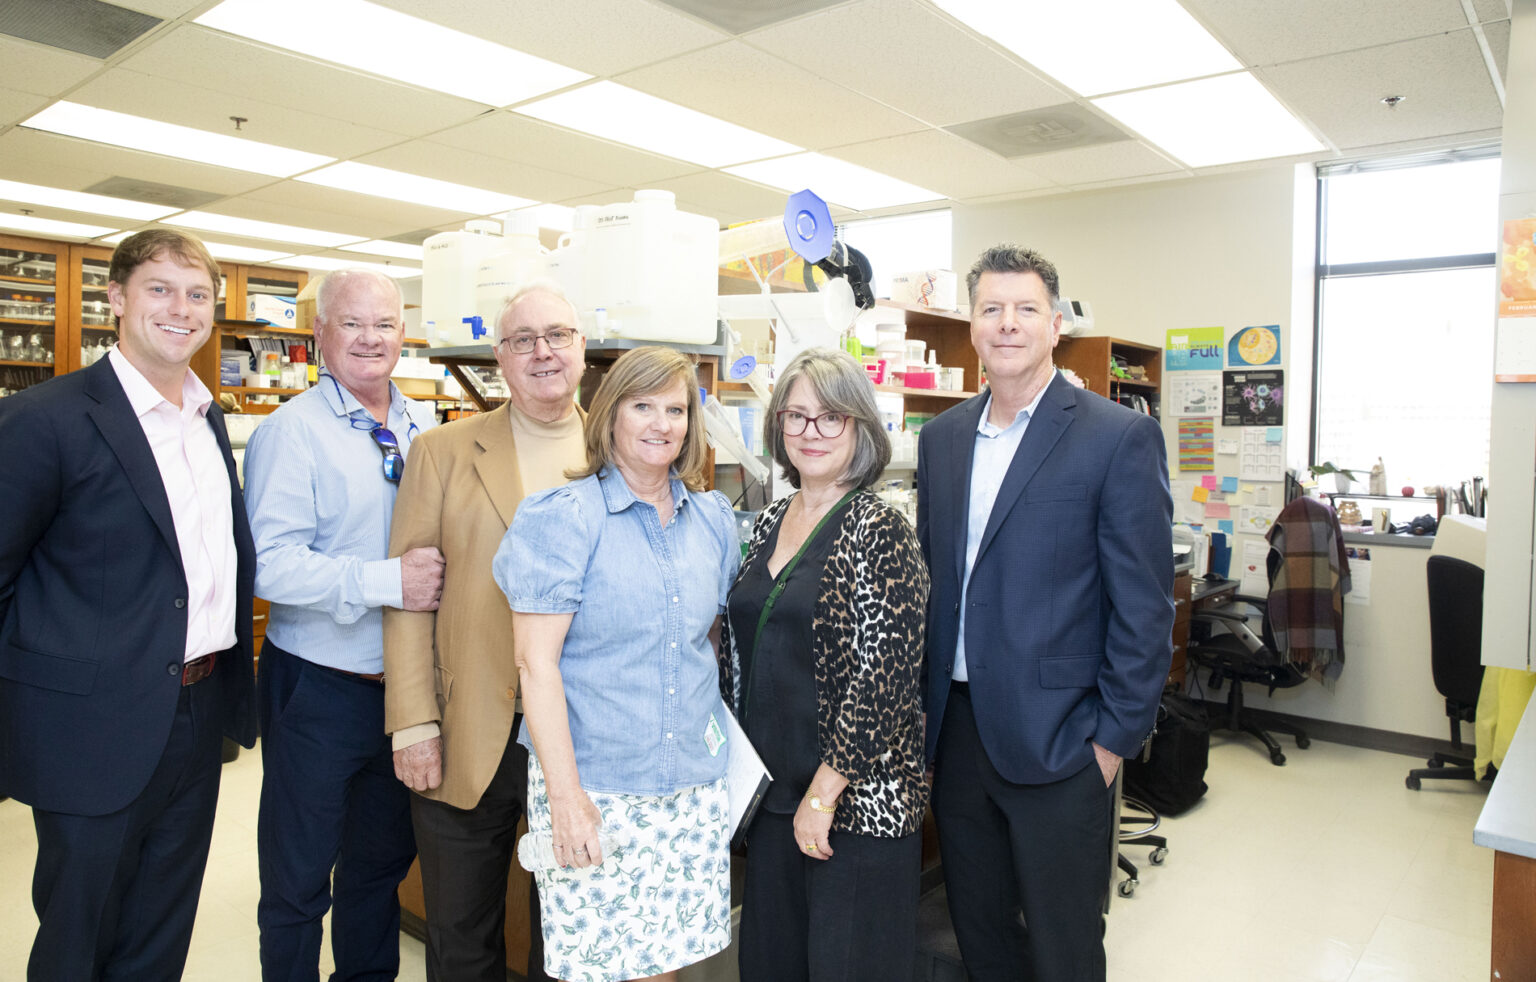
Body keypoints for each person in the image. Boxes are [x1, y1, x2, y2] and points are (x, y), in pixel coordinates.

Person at [0, 229, 257, 980]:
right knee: (80, 937)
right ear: (115, 298)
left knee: (160, 931)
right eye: (160, 289)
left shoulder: (208, 417)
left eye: (198, 294)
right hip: (90, 726)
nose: (182, 309)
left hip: (199, 710)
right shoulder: (45, 418)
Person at [917, 244, 1173, 981]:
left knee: (1064, 945)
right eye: (991, 309)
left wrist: (1111, 742)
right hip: (958, 735)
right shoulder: (942, 439)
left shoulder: (1115, 436)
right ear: (972, 325)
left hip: (1064, 738)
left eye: (1026, 309)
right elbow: (941, 584)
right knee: (981, 932)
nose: (1008, 323)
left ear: (1055, 325)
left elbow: (1144, 607)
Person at [493, 346, 740, 982]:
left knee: (668, 965)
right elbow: (535, 666)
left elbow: (705, 644)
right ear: (610, 415)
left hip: (689, 790)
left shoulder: (712, 521)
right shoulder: (564, 519)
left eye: (676, 410)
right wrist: (566, 797)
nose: (662, 423)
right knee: (601, 968)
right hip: (597, 788)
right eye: (643, 406)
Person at [384, 283, 587, 982]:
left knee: (568, 939)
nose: (542, 352)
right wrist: (413, 723)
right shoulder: (441, 452)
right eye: (522, 340)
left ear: (581, 347)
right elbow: (410, 597)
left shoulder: (620, 448)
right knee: (462, 937)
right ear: (499, 357)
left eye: (557, 335)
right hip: (467, 728)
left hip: (582, 736)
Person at [244, 268, 442, 981]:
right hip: (318, 690)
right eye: (351, 323)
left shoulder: (427, 431)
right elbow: (269, 566)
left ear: (402, 334)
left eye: (383, 324)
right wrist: (387, 582)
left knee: (377, 872)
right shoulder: (290, 433)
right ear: (320, 333)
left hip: (405, 696)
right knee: (297, 880)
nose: (369, 339)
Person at [721, 347, 930, 982]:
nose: (811, 431)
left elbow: (885, 681)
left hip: (853, 805)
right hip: (772, 797)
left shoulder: (879, 529)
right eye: (796, 415)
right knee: (771, 965)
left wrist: (822, 794)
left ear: (860, 427)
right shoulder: (769, 522)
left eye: (831, 416)